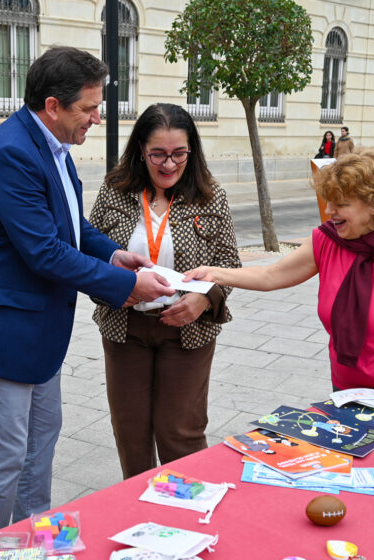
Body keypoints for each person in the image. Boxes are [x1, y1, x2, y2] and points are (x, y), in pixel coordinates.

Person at [0, 46, 174, 540]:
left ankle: (31, 541)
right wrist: (127, 287)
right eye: (88, 108)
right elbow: (44, 251)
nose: (96, 117)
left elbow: (70, 227)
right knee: (4, 457)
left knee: (40, 442)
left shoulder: (50, 145)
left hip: (38, 329)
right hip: (7, 330)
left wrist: (113, 255)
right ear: (53, 105)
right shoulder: (13, 153)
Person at [186, 147, 374, 401]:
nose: (329, 211)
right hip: (349, 392)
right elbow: (271, 276)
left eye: (341, 204)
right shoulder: (328, 241)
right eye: (328, 201)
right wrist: (215, 274)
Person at [88, 103, 240, 479]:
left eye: (179, 154)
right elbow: (88, 252)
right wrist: (111, 288)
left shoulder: (210, 195)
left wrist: (204, 298)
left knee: (180, 433)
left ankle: (186, 514)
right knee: (131, 433)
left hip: (187, 329)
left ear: (192, 150)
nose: (169, 164)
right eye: (158, 153)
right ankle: (141, 513)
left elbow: (229, 264)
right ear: (141, 149)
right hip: (125, 328)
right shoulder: (115, 190)